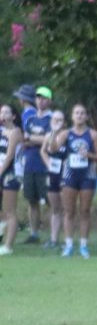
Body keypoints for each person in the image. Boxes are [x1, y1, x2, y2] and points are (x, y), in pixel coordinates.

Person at [56, 104, 97, 258]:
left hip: (87, 175)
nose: (80, 116)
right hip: (70, 175)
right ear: (72, 116)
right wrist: (53, 133)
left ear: (86, 117)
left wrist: (88, 154)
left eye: (83, 113)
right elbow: (53, 149)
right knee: (68, 211)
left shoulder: (93, 134)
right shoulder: (66, 134)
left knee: (85, 211)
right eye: (77, 113)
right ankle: (68, 245)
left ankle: (83, 245)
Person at [19, 86, 53, 245]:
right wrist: (37, 139)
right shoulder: (31, 118)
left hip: (45, 165)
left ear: (49, 100)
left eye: (44, 97)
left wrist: (32, 138)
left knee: (50, 201)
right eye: (38, 97)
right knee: (32, 201)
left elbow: (49, 140)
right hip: (29, 163)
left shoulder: (52, 119)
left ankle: (54, 235)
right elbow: (22, 141)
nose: (41, 100)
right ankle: (34, 234)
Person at [40, 108, 68, 250]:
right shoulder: (49, 135)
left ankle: (66, 240)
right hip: (53, 175)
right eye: (54, 119)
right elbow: (44, 151)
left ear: (64, 122)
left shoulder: (67, 135)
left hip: (65, 176)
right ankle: (53, 239)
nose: (56, 122)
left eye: (60, 119)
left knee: (67, 209)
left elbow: (56, 149)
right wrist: (48, 164)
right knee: (55, 208)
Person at [0, 104, 24, 256]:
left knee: (10, 210)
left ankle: (8, 246)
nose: (2, 113)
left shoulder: (15, 132)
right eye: (1, 111)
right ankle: (2, 226)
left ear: (13, 116)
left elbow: (9, 156)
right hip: (2, 171)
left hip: (11, 173)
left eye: (6, 111)